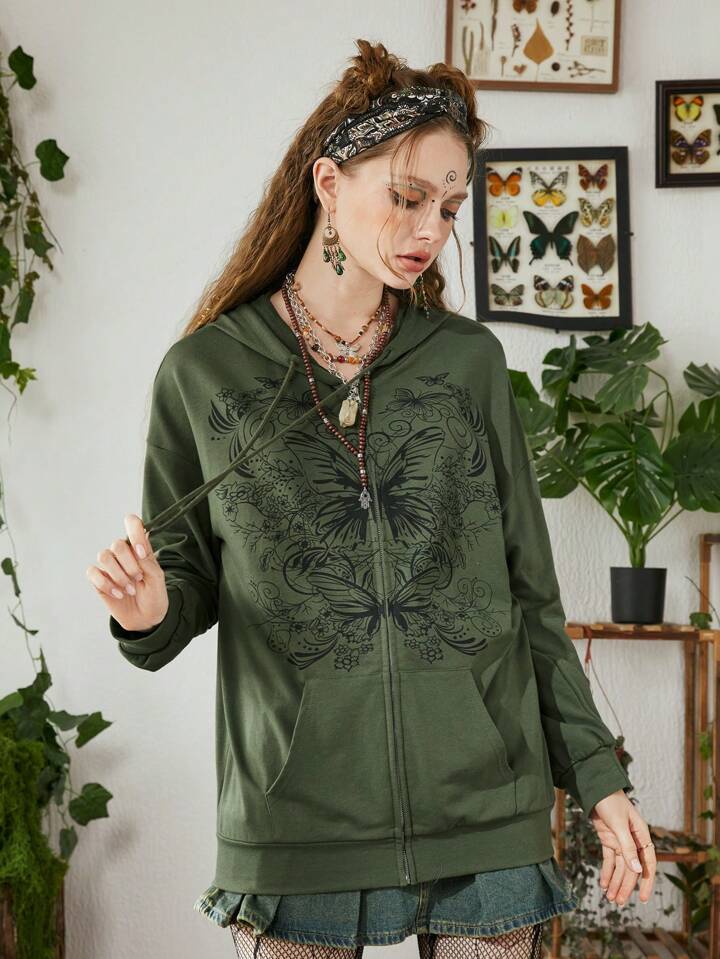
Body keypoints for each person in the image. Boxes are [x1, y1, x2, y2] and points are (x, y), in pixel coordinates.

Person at [87, 38, 656, 959]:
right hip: (297, 817)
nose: (430, 228)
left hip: (487, 810)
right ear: (328, 182)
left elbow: (531, 596)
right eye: (406, 196)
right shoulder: (204, 373)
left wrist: (599, 776)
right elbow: (179, 587)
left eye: (449, 206)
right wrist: (148, 607)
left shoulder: (467, 363)